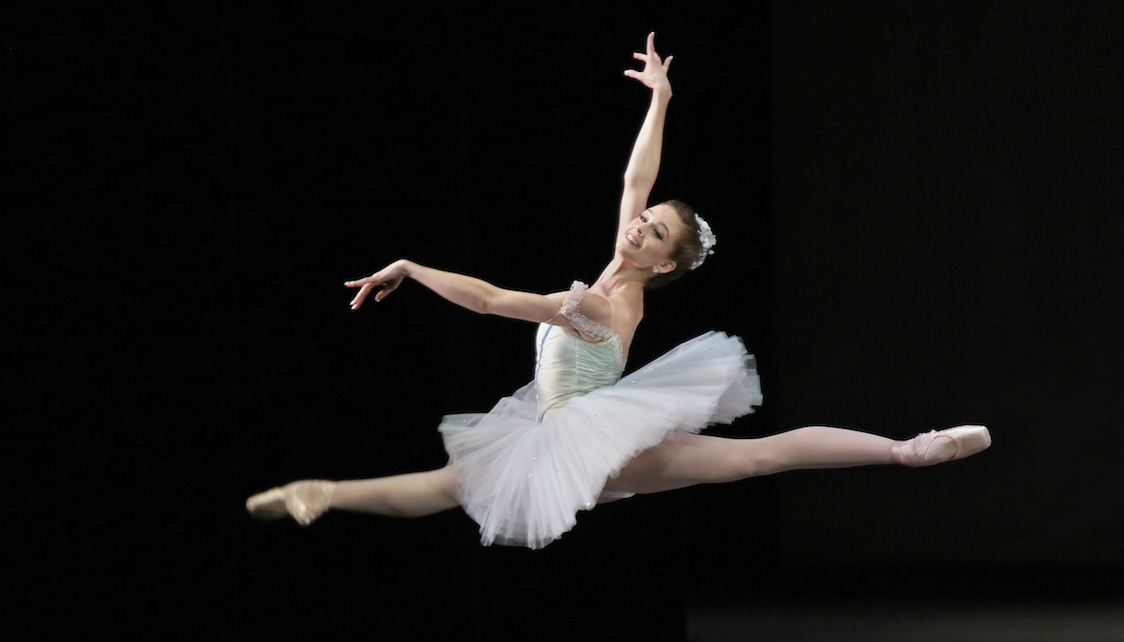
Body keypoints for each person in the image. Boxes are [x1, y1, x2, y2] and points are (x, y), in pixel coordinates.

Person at [246, 33, 990, 549]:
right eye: (644, 222)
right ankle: (325, 493)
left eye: (654, 234)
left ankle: (907, 451)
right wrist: (660, 97)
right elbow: (637, 179)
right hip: (554, 428)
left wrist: (411, 266)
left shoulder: (604, 302)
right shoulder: (614, 265)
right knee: (451, 485)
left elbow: (489, 302)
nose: (637, 227)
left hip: (583, 432)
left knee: (754, 459)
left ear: (665, 266)